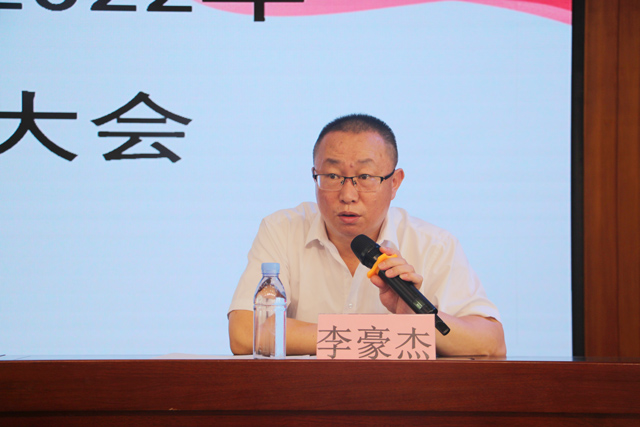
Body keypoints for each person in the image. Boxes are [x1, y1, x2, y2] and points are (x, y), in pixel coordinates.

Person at [228, 114, 506, 357]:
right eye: (332, 176)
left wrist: (418, 319)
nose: (348, 195)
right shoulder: (282, 230)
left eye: (365, 177)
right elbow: (243, 333)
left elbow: (491, 344)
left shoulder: (434, 244)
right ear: (315, 175)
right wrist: (391, 334)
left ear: (394, 182)